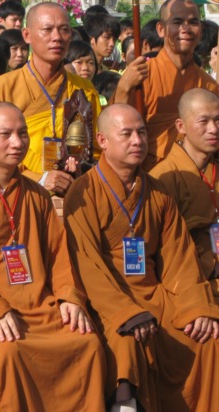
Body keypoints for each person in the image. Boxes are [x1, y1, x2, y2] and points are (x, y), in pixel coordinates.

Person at [0, 102, 105, 411]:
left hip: (40, 305)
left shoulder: (37, 195)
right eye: (6, 134)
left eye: (22, 133)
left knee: (86, 343)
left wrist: (68, 296)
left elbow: (58, 254)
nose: (17, 142)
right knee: (7, 352)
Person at [64, 103, 219, 412]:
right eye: (127, 134)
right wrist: (125, 312)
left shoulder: (158, 192)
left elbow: (180, 258)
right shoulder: (83, 193)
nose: (138, 141)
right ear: (103, 140)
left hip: (154, 293)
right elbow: (86, 264)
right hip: (108, 300)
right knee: (126, 342)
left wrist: (196, 307)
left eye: (142, 133)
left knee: (207, 339)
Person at [0, 1, 101, 194]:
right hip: (19, 190)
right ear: (27, 35)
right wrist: (39, 178)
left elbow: (97, 149)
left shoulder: (85, 89)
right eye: (47, 29)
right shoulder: (4, 87)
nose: (57, 37)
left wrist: (80, 168)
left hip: (73, 193)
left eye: (64, 30)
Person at [112, 0, 219, 171]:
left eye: (193, 22)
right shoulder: (141, 76)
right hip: (151, 175)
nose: (186, 28)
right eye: (177, 22)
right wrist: (124, 88)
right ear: (161, 29)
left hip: (198, 176)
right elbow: (115, 129)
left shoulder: (209, 85)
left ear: (201, 30)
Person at [150, 88, 219, 292]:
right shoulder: (162, 177)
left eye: (218, 120)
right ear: (181, 126)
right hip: (189, 276)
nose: (213, 129)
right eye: (203, 121)